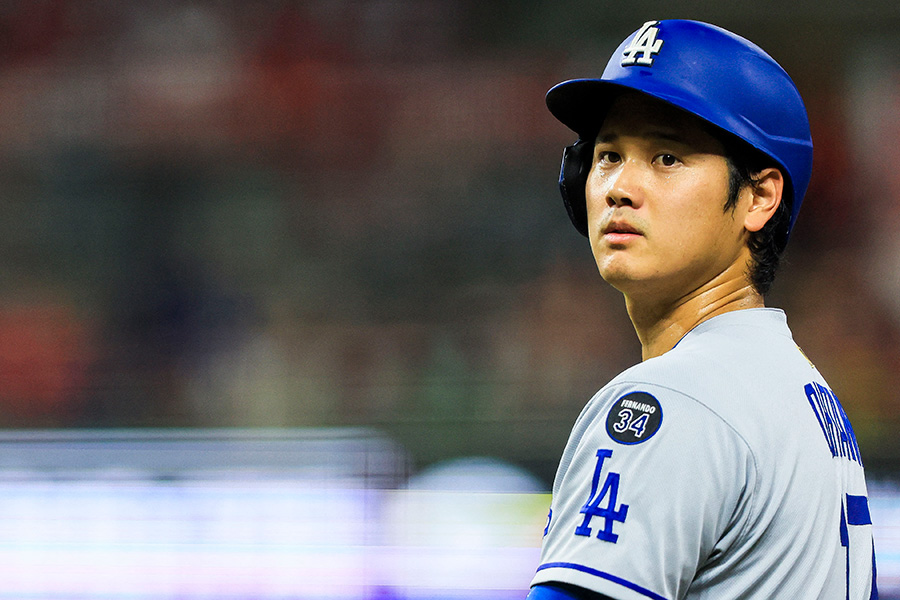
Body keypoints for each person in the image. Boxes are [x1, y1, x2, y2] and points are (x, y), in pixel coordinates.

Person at [527, 19, 878, 600]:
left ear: (759, 197)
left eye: (666, 157)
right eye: (608, 155)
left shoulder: (673, 400)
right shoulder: (805, 393)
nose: (618, 187)